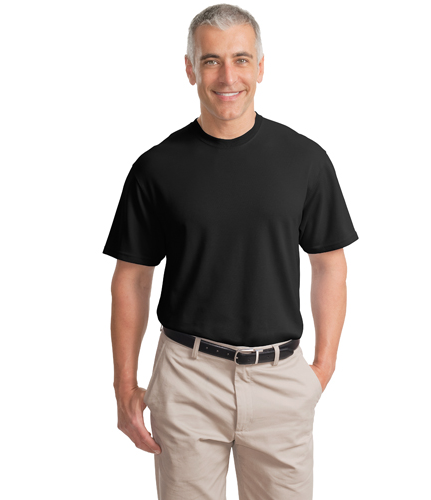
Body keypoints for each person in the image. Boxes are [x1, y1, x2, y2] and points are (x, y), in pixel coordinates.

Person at [102, 4, 359, 499]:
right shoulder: (156, 168)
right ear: (189, 68)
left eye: (241, 60)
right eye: (211, 61)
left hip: (280, 380)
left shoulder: (305, 160)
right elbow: (131, 278)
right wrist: (124, 385)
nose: (227, 77)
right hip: (187, 379)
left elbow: (330, 265)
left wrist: (323, 368)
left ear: (261, 67)